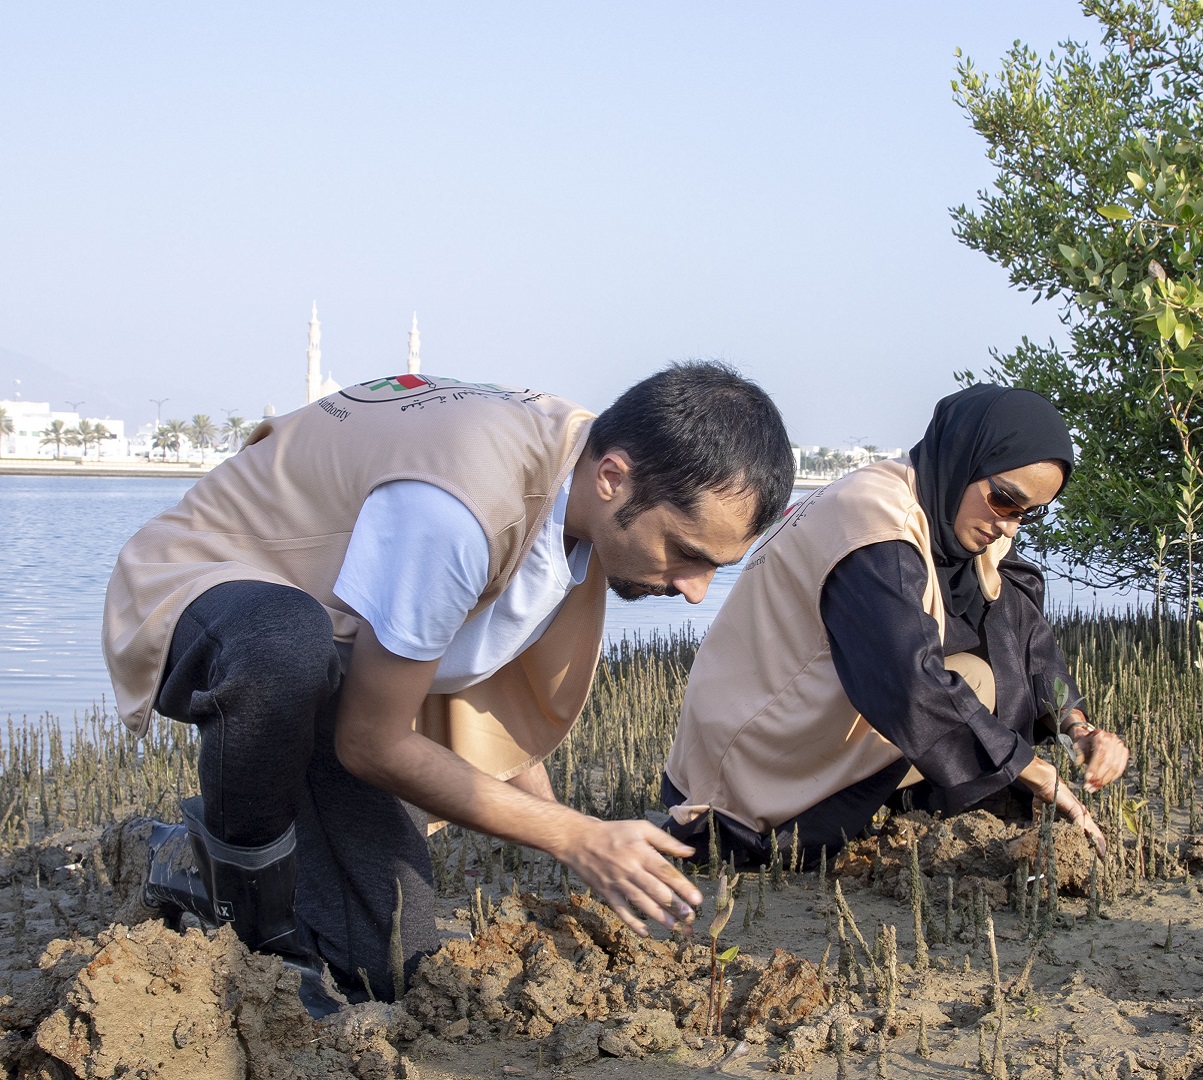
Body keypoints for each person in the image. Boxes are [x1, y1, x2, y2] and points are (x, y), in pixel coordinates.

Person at [102, 363, 792, 1014]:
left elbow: (488, 683)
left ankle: (184, 854)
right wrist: (574, 837)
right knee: (283, 645)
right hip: (205, 591)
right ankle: (235, 902)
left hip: (333, 661)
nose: (695, 591)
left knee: (387, 957)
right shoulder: (461, 510)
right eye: (688, 553)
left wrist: (585, 837)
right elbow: (372, 743)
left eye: (715, 567)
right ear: (615, 477)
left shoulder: (581, 467)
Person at [662, 383, 1129, 869]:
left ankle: (952, 809)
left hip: (810, 731)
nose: (1009, 526)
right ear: (963, 458)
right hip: (737, 778)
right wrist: (1028, 768)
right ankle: (792, 836)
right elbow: (907, 684)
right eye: (1005, 501)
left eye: (1027, 515)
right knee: (961, 688)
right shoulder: (873, 521)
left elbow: (1028, 642)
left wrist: (1078, 727)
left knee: (988, 666)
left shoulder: (962, 520)